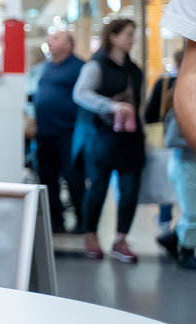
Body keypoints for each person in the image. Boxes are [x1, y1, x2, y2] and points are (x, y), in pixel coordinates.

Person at [72, 17, 145, 262]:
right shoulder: (96, 66)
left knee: (130, 191)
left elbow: (138, 105)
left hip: (131, 141)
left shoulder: (134, 70)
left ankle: (121, 240)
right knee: (97, 190)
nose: (132, 39)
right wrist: (111, 106)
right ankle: (91, 236)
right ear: (113, 37)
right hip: (102, 139)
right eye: (128, 34)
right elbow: (80, 94)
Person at [33, 31, 88, 234]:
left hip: (68, 132)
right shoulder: (48, 67)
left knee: (73, 177)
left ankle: (83, 222)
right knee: (47, 178)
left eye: (56, 39)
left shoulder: (79, 67)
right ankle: (55, 222)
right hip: (45, 133)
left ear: (68, 45)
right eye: (49, 38)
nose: (49, 41)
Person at [148, 48, 196, 268]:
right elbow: (172, 138)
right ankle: (186, 251)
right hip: (185, 163)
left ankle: (172, 238)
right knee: (191, 212)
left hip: (188, 162)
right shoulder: (185, 100)